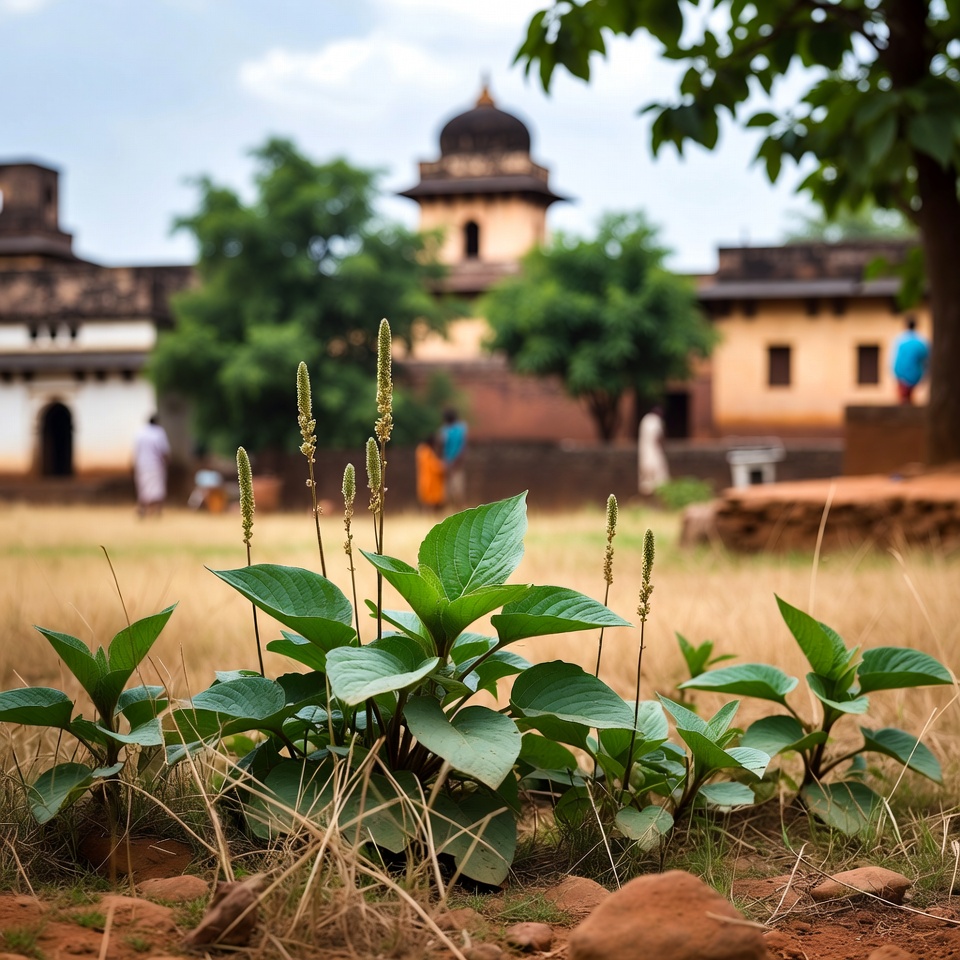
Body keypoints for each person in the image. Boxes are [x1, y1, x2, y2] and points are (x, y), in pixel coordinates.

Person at [133, 414, 170, 517]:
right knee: (157, 489)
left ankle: (143, 509)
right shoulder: (158, 432)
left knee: (143, 487)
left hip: (141, 465)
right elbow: (164, 451)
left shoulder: (140, 433)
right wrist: (167, 462)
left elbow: (136, 450)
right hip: (155, 465)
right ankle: (157, 511)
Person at [891, 316, 930, 404]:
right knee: (909, 399)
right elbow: (926, 361)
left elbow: (893, 359)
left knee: (903, 400)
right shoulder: (922, 341)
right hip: (916, 375)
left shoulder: (900, 340)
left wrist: (895, 375)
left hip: (901, 375)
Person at [638, 404, 670, 496]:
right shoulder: (655, 420)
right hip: (654, 452)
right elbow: (658, 437)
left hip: (644, 452)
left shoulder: (645, 419)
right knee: (658, 476)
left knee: (647, 478)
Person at [440, 408, 468, 508]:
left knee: (457, 489)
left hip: (455, 464)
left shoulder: (458, 429)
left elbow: (462, 447)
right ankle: (452, 510)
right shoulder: (446, 429)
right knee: (448, 491)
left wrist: (455, 462)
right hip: (449, 463)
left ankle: (460, 509)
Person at [415, 433, 445, 512]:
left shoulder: (421, 450)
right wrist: (443, 467)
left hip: (425, 479)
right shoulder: (427, 452)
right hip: (430, 480)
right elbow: (434, 466)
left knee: (427, 500)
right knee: (431, 501)